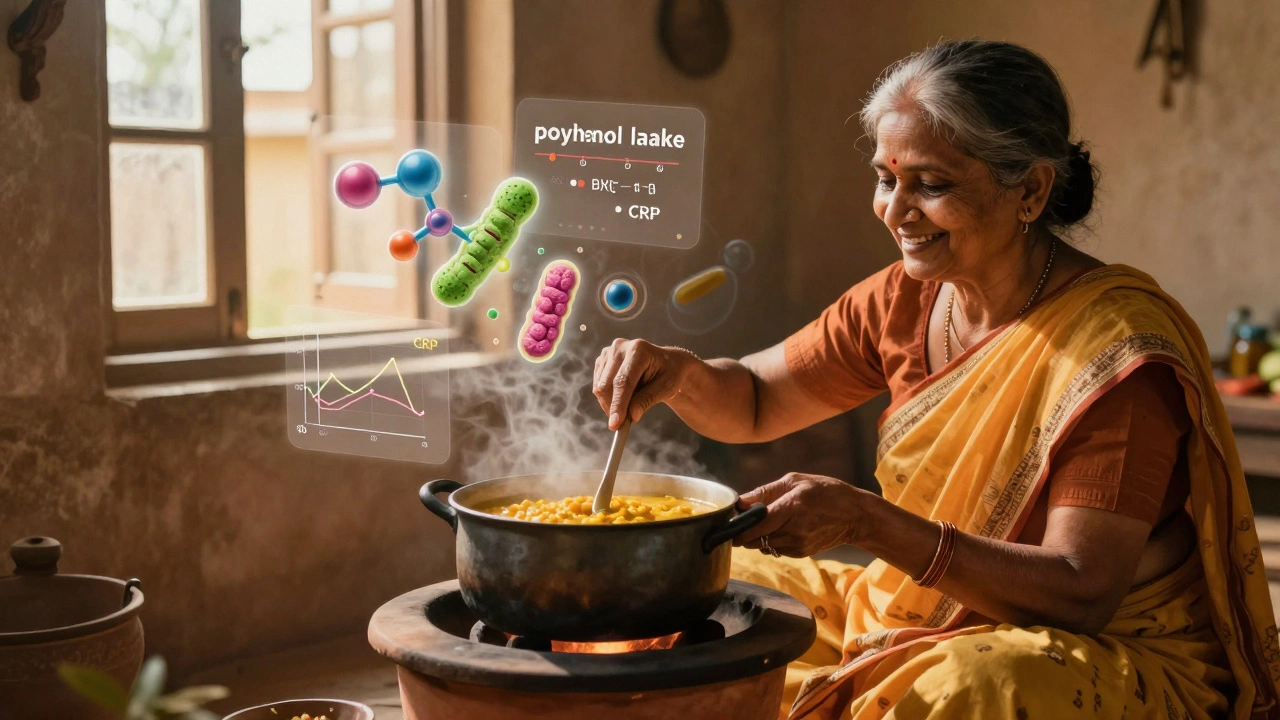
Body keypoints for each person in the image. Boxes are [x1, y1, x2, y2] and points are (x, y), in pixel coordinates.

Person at [593, 40, 1280, 720]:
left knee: (964, 688)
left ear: (1032, 190)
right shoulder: (903, 300)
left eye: (932, 184)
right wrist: (678, 374)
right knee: (689, 588)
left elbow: (1080, 592)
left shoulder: (1114, 354)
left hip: (1094, 645)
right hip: (908, 606)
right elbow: (752, 400)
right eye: (886, 180)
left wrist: (869, 521)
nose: (895, 210)